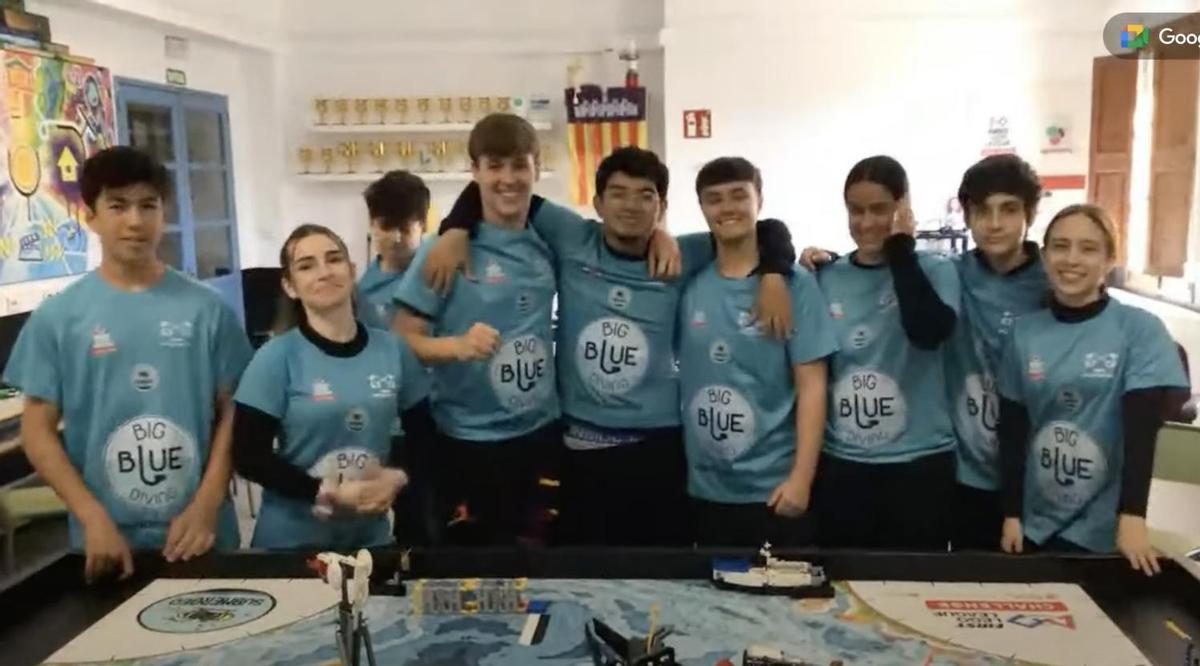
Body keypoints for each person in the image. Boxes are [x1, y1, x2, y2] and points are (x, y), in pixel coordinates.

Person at [426, 146, 796, 546]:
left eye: (645, 195)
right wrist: (455, 228)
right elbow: (507, 188)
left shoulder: (683, 254)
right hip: (581, 451)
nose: (631, 205)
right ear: (598, 203)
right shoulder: (573, 236)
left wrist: (774, 273)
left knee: (665, 569)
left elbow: (767, 229)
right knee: (586, 570)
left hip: (659, 450)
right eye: (618, 193)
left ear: (661, 207)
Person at [3, 147, 252, 582]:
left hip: (200, 533)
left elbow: (236, 412)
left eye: (148, 205)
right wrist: (91, 516)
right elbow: (37, 431)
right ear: (91, 216)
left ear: (163, 212)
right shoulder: (58, 318)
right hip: (107, 541)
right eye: (117, 206)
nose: (135, 221)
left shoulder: (208, 310)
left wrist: (207, 502)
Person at [393, 113, 560, 546]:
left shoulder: (548, 240)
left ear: (537, 168)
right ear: (475, 171)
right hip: (466, 440)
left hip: (540, 435)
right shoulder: (443, 249)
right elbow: (400, 340)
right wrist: (457, 346)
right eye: (494, 166)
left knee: (541, 565)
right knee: (471, 572)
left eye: (519, 165)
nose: (508, 179)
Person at [997, 204, 1188, 575]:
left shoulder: (1139, 330)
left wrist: (1132, 517)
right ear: (1045, 255)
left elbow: (1142, 430)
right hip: (1035, 523)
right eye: (1060, 246)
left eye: (1088, 248)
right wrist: (1012, 514)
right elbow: (1013, 429)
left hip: (1104, 529)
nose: (1071, 259)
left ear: (1109, 259)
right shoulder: (1024, 332)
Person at [232, 224, 424, 549]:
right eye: (306, 266)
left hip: (370, 542)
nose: (324, 272)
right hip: (292, 545)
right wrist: (321, 491)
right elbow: (248, 455)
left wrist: (397, 476)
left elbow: (424, 436)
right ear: (290, 286)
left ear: (351, 270)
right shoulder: (275, 358)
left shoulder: (393, 350)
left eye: (334, 259)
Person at [680, 157, 837, 546]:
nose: (727, 207)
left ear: (759, 201)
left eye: (739, 195)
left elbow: (812, 387)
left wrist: (801, 480)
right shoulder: (691, 283)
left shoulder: (795, 286)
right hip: (706, 491)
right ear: (702, 207)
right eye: (714, 199)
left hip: (774, 491)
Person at [810, 155, 961, 550]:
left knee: (913, 579)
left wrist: (901, 249)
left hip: (919, 463)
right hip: (844, 463)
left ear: (903, 208)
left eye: (879, 210)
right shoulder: (827, 276)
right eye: (855, 210)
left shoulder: (936, 270)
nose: (865, 223)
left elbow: (928, 332)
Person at [945, 155, 1049, 550]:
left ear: (1030, 214)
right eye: (982, 211)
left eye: (1008, 209)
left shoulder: (1054, 281)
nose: (994, 223)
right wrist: (822, 259)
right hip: (966, 474)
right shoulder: (950, 273)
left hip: (1038, 476)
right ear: (967, 215)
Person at [355, 170, 437, 545]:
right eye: (387, 226)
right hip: (387, 426)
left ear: (423, 225)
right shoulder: (359, 292)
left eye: (407, 227)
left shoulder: (439, 271)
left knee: (435, 523)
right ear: (372, 225)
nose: (398, 237)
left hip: (441, 419)